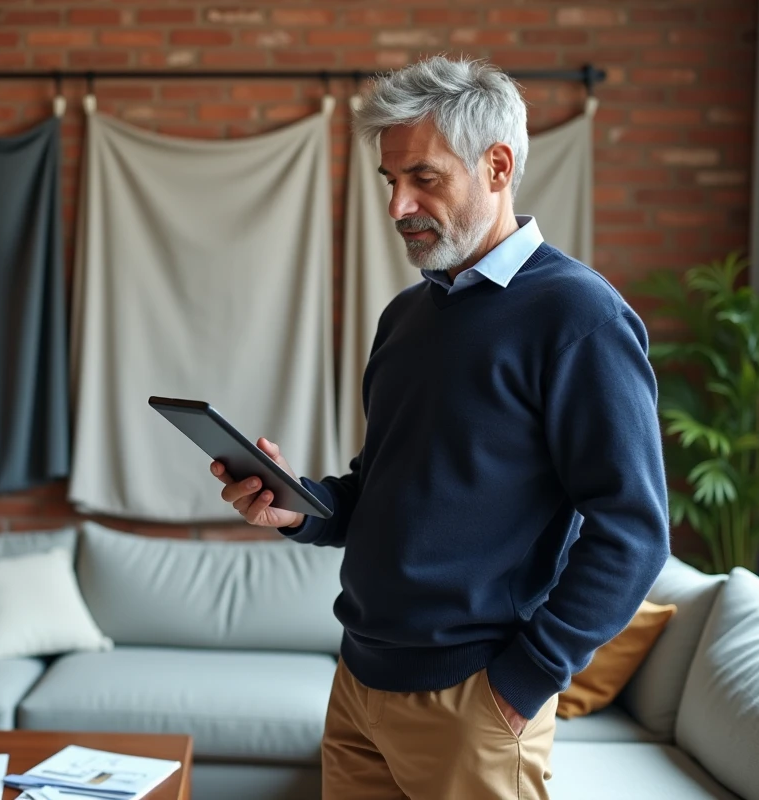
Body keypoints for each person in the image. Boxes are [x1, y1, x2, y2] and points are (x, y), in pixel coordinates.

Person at [210, 56, 670, 800]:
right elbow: (385, 489)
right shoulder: (407, 316)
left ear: (497, 166)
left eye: (423, 178)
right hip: (359, 682)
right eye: (390, 181)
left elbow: (634, 531)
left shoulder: (579, 317)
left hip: (476, 702)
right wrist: (301, 508)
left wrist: (524, 681)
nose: (398, 206)